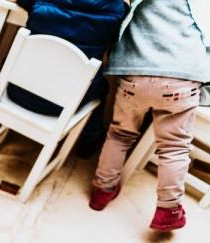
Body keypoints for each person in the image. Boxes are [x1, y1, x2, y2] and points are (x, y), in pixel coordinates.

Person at [90, 0, 210, 231]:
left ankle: (102, 190)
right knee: (174, 147)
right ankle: (168, 210)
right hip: (182, 78)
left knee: (119, 135)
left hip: (134, 75)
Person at [7, 0, 129, 158]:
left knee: (11, 62)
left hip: (18, 91)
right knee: (101, 87)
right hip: (65, 107)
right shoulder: (118, 7)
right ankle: (88, 142)